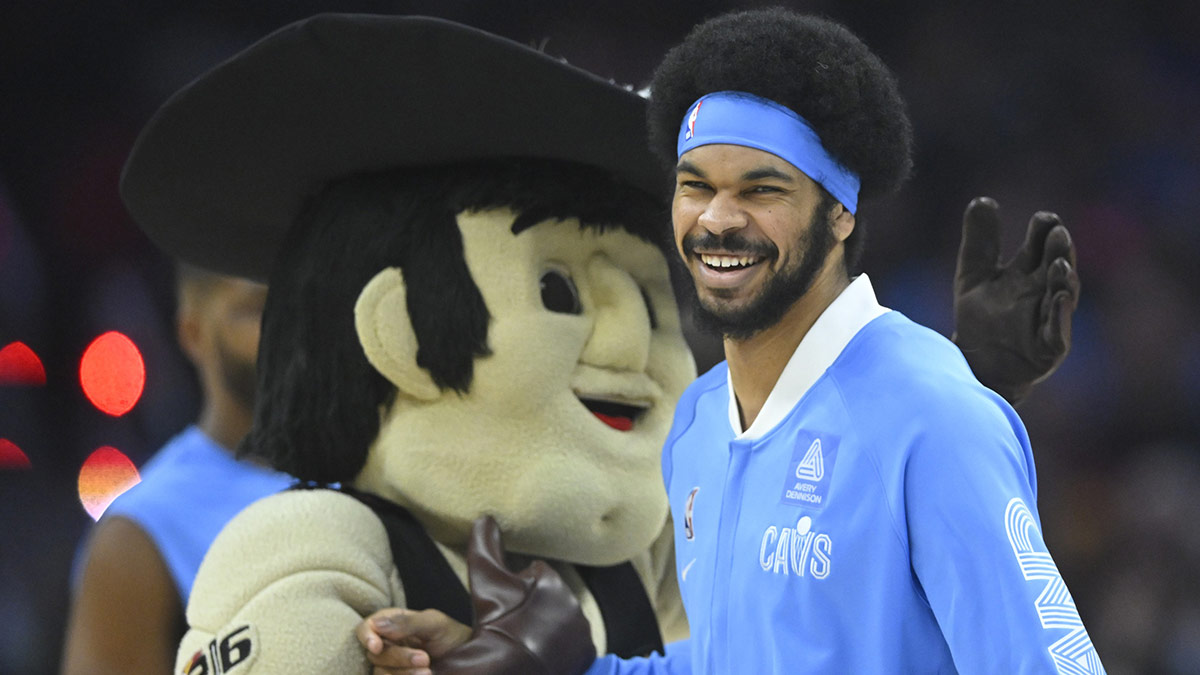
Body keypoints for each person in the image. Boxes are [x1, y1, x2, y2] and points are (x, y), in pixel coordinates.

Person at [361, 8, 1101, 674]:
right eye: (695, 184)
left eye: (761, 188)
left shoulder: (936, 418)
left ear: (840, 212)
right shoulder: (699, 419)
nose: (716, 219)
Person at [61, 265, 293, 674]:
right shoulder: (142, 530)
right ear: (193, 332)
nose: (291, 327)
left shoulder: (384, 472)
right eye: (258, 309)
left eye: (305, 301)